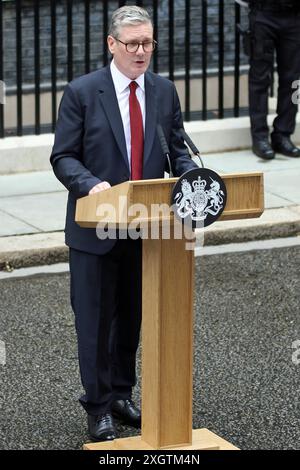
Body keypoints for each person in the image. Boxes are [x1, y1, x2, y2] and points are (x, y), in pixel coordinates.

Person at [50, 5, 197, 442]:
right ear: (111, 44)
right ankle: (97, 407)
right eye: (132, 43)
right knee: (94, 321)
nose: (141, 51)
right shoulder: (81, 91)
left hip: (146, 227)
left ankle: (120, 394)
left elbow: (177, 148)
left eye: (147, 42)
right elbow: (63, 156)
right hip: (95, 226)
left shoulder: (164, 91)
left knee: (130, 318)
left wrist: (191, 176)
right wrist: (90, 184)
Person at [245, 0, 300, 159]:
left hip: (294, 16)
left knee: (293, 80)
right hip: (264, 13)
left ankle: (283, 135)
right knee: (259, 79)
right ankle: (260, 138)